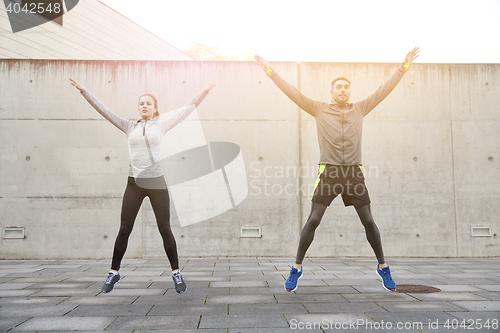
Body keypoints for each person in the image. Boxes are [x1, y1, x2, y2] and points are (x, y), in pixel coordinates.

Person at [255, 47, 419, 292]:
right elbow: (291, 91)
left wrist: (404, 66)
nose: (343, 90)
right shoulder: (319, 108)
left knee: (369, 221)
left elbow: (384, 89)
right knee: (313, 219)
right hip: (329, 172)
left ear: (349, 91)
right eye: (338, 87)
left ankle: (383, 267)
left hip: (354, 172)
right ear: (332, 91)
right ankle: (297, 268)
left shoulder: (360, 108)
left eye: (346, 87)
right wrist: (269, 69)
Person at [69, 77, 216, 294]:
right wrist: (84, 91)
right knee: (124, 229)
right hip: (134, 184)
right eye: (141, 103)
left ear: (155, 108)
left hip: (156, 183)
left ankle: (176, 273)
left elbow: (187, 109)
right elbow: (104, 110)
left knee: (164, 228)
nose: (143, 106)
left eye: (148, 103)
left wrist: (204, 90)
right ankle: (114, 272)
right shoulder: (128, 126)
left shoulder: (162, 125)